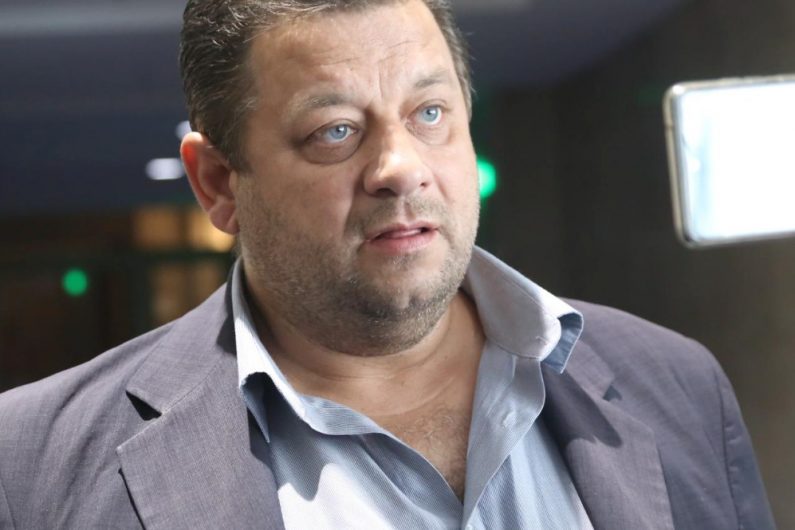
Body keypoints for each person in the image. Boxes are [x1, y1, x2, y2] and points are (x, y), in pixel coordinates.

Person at [0, 0, 775, 528]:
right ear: (219, 184)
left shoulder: (674, 383)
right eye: (334, 131)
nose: (400, 167)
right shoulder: (32, 467)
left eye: (428, 113)